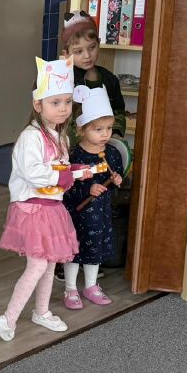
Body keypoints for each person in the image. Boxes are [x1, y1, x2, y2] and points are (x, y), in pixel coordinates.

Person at [0, 57, 91, 343]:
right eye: (55, 102)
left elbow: (58, 169)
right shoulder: (30, 138)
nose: (63, 108)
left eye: (67, 102)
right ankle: (9, 318)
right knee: (37, 266)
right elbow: (34, 173)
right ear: (38, 105)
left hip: (51, 209)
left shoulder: (60, 138)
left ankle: (42, 311)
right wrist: (66, 175)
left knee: (49, 264)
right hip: (32, 210)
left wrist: (75, 170)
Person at [60, 87, 124, 310]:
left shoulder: (112, 153)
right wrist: (88, 189)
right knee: (74, 251)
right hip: (78, 214)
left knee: (94, 250)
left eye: (108, 128)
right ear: (81, 129)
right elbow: (65, 185)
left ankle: (91, 286)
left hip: (101, 214)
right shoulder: (73, 155)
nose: (105, 134)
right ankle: (70, 289)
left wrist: (117, 179)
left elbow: (117, 174)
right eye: (98, 129)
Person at [62, 12, 127, 139]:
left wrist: (115, 133)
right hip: (72, 146)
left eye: (92, 47)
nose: (87, 56)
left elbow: (118, 112)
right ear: (67, 54)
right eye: (78, 51)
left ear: (99, 44)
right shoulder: (63, 81)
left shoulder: (110, 80)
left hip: (102, 143)